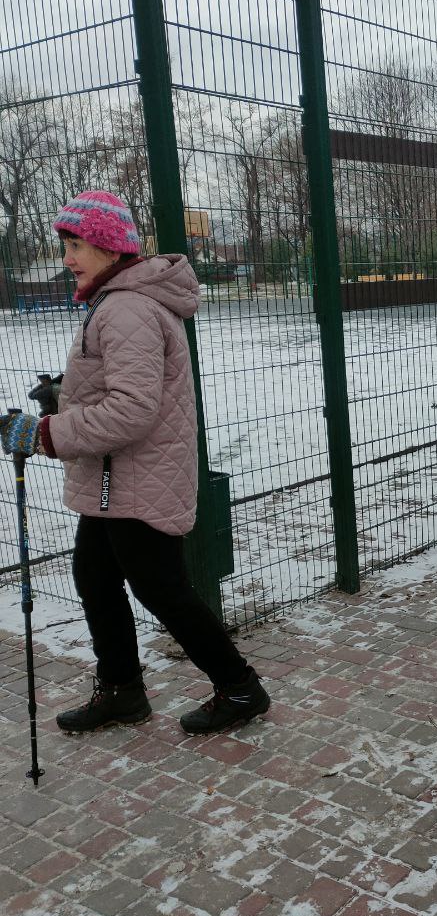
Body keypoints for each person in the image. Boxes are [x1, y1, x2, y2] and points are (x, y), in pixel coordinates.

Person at [0, 191, 270, 735]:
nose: (68, 257)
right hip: (113, 477)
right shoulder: (116, 302)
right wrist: (64, 397)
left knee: (161, 589)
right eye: (66, 244)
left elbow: (132, 409)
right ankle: (123, 691)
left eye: (77, 244)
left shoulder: (126, 307)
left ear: (108, 247)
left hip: (135, 476)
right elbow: (122, 387)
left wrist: (46, 433)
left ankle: (241, 688)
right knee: (95, 578)